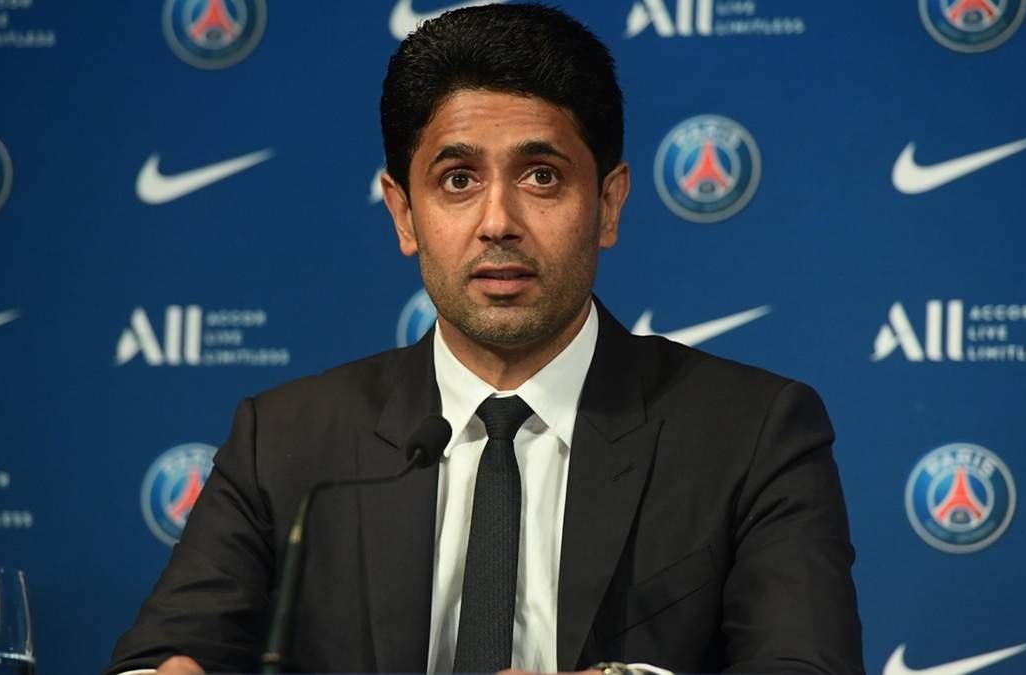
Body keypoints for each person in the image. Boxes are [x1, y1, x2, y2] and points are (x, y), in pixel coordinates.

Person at [105, 5, 863, 674]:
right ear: (403, 214)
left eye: (541, 176)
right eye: (459, 180)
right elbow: (162, 655)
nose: (498, 221)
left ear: (608, 204)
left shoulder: (752, 433)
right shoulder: (286, 443)